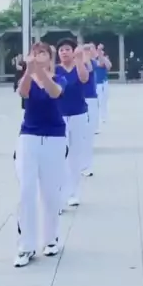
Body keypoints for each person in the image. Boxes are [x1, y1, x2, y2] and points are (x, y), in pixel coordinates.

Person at [14, 42, 67, 267]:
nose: (37, 56)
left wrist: (42, 72)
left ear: (50, 57)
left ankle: (50, 238)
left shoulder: (59, 78)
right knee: (26, 191)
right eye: (34, 53)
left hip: (54, 137)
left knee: (50, 191)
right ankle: (26, 246)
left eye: (42, 53)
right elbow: (22, 92)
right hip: (29, 136)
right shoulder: (26, 77)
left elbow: (54, 92)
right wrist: (29, 71)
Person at [56, 39, 90, 208]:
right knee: (59, 155)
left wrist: (79, 59)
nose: (64, 52)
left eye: (67, 49)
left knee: (75, 156)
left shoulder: (79, 66)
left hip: (78, 114)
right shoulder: (55, 70)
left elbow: (84, 79)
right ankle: (59, 194)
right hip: (59, 116)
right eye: (61, 50)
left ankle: (74, 193)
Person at [82, 43, 99, 143]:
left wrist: (87, 58)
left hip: (91, 95)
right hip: (82, 95)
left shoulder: (93, 62)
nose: (87, 52)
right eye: (85, 50)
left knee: (92, 118)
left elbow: (90, 69)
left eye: (88, 50)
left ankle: (89, 139)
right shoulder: (78, 62)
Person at [96, 44, 112, 123]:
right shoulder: (93, 60)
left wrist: (102, 56)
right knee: (98, 101)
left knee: (104, 100)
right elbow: (99, 64)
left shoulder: (105, 59)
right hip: (96, 84)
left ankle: (103, 116)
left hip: (104, 83)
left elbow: (109, 66)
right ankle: (98, 116)